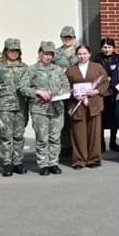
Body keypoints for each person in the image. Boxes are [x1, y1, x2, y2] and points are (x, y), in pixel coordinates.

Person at [19, 41, 69, 176]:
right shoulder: (31, 70)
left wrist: (61, 92)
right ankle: (43, 164)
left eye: (50, 54)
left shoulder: (58, 70)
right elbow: (23, 88)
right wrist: (37, 92)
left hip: (56, 108)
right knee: (42, 138)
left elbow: (66, 86)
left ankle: (54, 163)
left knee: (55, 138)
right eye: (45, 54)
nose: (48, 57)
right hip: (39, 109)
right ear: (40, 53)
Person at [0, 38, 29, 176]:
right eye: (11, 50)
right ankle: (7, 163)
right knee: (5, 136)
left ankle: (18, 162)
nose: (14, 53)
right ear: (5, 51)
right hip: (4, 107)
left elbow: (27, 87)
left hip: (21, 107)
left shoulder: (24, 67)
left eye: (16, 51)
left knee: (19, 136)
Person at [65, 45, 109, 169]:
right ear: (76, 55)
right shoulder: (71, 70)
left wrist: (97, 91)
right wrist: (73, 94)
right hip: (77, 104)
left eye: (84, 53)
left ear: (89, 54)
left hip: (94, 104)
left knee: (94, 133)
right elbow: (65, 85)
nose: (82, 56)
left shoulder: (97, 67)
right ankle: (79, 159)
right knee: (78, 133)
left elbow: (105, 82)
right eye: (79, 54)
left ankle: (94, 158)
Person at [92, 38, 119, 153]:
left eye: (109, 47)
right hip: (101, 93)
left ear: (113, 48)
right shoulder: (96, 59)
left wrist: (112, 79)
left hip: (114, 92)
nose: (107, 49)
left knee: (114, 119)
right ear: (101, 48)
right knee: (101, 119)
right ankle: (101, 143)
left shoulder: (118, 59)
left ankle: (113, 142)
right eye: (104, 47)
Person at [53, 26, 78, 162]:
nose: (67, 39)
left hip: (76, 89)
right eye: (65, 37)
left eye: (70, 37)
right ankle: (64, 146)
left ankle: (76, 146)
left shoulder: (79, 51)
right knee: (62, 118)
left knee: (75, 116)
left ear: (74, 38)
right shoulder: (56, 53)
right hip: (61, 89)